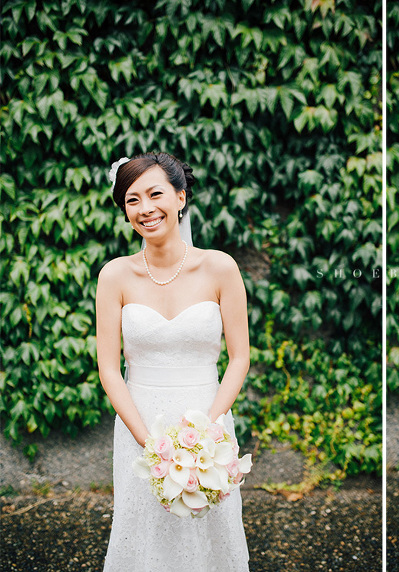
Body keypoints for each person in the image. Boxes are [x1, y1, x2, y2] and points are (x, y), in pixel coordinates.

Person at [96, 152, 250, 570]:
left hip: (209, 420)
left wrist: (209, 432)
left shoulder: (220, 268)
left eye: (155, 194)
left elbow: (239, 357)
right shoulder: (114, 276)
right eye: (132, 200)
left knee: (212, 533)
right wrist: (148, 443)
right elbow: (109, 368)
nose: (144, 208)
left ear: (180, 197)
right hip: (139, 424)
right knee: (143, 531)